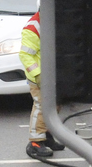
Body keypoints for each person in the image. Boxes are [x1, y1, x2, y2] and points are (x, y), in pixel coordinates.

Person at [21, 11, 66, 159]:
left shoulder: (53, 22)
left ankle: (46, 136)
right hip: (40, 77)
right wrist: (38, 74)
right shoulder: (33, 28)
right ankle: (35, 142)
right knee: (41, 106)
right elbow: (25, 55)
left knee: (55, 106)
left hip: (52, 75)